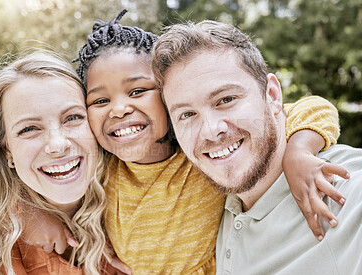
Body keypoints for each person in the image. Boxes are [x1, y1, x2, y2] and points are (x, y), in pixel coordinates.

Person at [22, 10, 348, 274]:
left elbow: (313, 107)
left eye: (137, 91)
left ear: (167, 100)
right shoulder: (101, 165)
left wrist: (299, 151)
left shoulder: (199, 157)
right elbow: (24, 175)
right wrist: (32, 213)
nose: (120, 108)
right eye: (99, 101)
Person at [152, 20, 362, 274]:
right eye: (186, 115)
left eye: (226, 100)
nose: (210, 130)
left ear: (272, 95)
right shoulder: (217, 205)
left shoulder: (348, 194)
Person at [0, 51, 110, 274]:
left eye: (73, 118)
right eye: (29, 129)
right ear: (6, 151)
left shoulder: (133, 197)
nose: (58, 145)